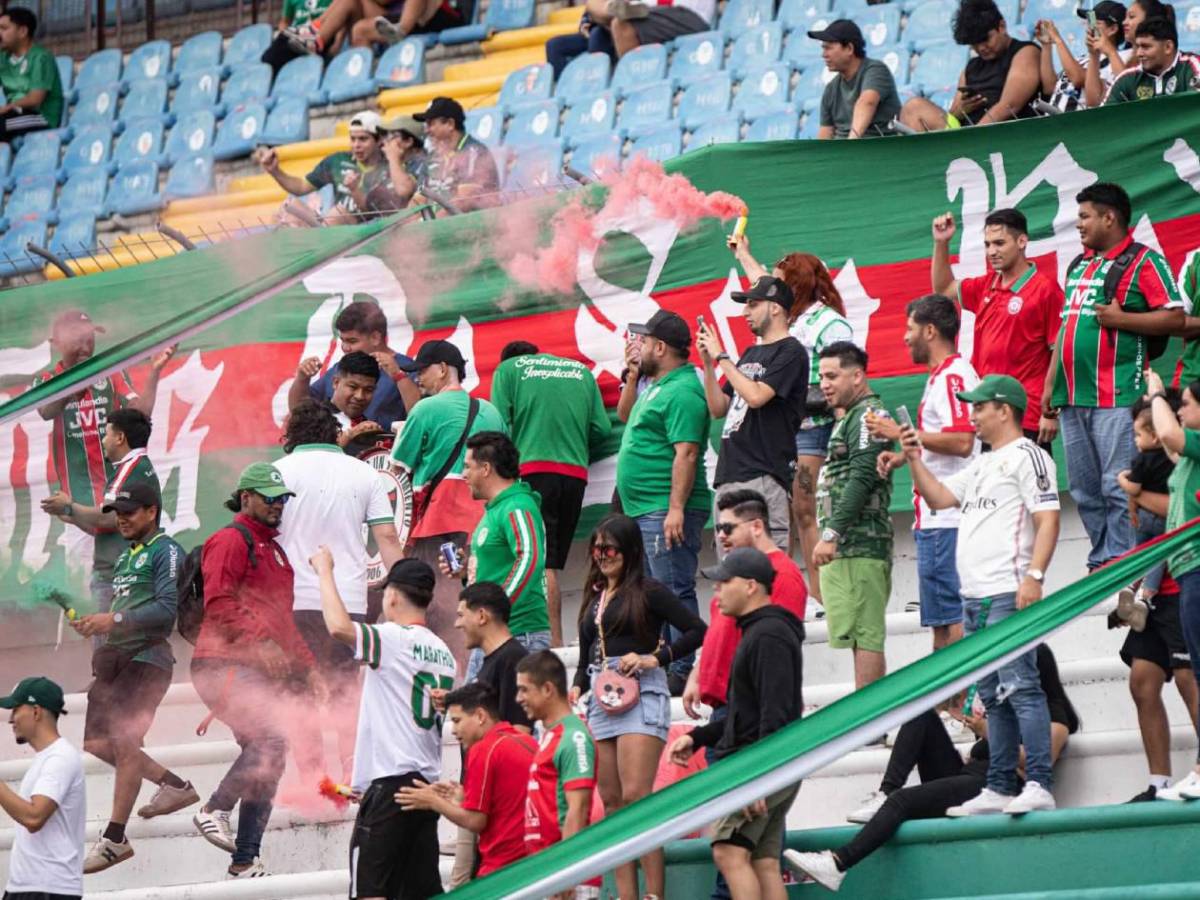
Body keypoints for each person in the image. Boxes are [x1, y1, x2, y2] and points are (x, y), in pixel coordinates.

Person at [785, 646, 1078, 892]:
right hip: (970, 778)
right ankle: (885, 790)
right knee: (921, 713)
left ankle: (837, 863)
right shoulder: (1006, 709)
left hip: (997, 788)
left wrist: (987, 731)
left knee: (902, 803)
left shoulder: (1054, 716)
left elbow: (1038, 760)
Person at [898, 374, 1061, 816]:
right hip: (974, 596)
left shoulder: (1029, 455)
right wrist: (914, 459)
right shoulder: (984, 461)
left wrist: (1035, 576)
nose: (972, 414)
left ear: (1003, 410)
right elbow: (941, 496)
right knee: (992, 694)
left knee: (1022, 687)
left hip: (1008, 590)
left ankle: (1040, 782)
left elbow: (1048, 518)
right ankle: (1000, 785)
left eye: (978, 406)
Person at [191, 463, 323, 878]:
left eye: (282, 499)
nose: (278, 505)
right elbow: (219, 603)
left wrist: (310, 669)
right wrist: (261, 641)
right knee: (271, 741)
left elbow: (282, 621)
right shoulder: (230, 540)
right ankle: (213, 808)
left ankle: (244, 859)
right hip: (222, 665)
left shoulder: (275, 550)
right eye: (270, 497)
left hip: (252, 668)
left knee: (270, 757)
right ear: (245, 497)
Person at [1048, 183, 1183, 571]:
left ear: (1110, 217)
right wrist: (1048, 386)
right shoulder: (1079, 264)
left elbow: (1174, 317)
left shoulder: (1144, 262)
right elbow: (1065, 330)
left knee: (1116, 484)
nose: (1078, 224)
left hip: (1118, 396)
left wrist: (1122, 319)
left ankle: (1125, 564)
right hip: (1073, 397)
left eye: (1085, 216)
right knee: (1084, 491)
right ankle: (1102, 562)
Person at [571, 514, 705, 900]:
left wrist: (655, 658)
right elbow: (584, 657)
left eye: (609, 548)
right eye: (596, 548)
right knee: (612, 802)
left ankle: (655, 894)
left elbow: (698, 630)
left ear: (629, 550)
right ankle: (627, 895)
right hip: (601, 694)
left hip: (640, 691)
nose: (601, 555)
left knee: (637, 799)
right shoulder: (595, 597)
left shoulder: (648, 590)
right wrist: (577, 685)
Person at [312, 547, 454, 900]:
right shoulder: (445, 653)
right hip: (425, 787)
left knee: (369, 892)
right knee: (419, 892)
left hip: (392, 786)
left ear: (393, 596)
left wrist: (324, 572)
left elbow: (338, 627)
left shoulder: (393, 640)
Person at [274, 400, 404, 781]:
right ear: (334, 434)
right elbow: (387, 537)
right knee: (346, 690)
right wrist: (402, 595)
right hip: (348, 602)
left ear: (292, 436)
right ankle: (351, 773)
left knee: (299, 692)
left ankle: (314, 780)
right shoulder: (364, 474)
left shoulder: (276, 473)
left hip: (292, 602)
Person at [70, 482, 197, 873]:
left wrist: (115, 618)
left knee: (125, 741)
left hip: (148, 660)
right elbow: (122, 613)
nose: (122, 518)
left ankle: (115, 838)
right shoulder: (128, 557)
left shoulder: (166, 551)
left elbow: (164, 612)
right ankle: (174, 784)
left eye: (130, 511)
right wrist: (96, 626)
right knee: (94, 742)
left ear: (152, 512)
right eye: (118, 512)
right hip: (117, 662)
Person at [668, 548, 805, 900]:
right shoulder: (761, 632)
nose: (716, 592)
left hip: (762, 764)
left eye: (723, 583)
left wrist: (758, 780)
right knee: (763, 862)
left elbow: (775, 716)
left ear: (750, 586)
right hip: (775, 762)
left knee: (729, 851)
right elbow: (745, 712)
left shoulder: (768, 635)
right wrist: (698, 737)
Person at [730, 237, 853, 607]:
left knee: (806, 508)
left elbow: (846, 375)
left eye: (784, 281)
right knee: (795, 510)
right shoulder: (792, 318)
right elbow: (764, 283)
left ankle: (822, 593)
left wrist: (843, 428)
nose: (775, 287)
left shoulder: (829, 322)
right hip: (788, 432)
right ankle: (812, 591)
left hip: (816, 428)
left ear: (797, 285)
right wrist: (743, 254)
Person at [34, 311, 171, 595]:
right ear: (57, 342)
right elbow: (46, 411)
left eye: (89, 339)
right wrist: (72, 388)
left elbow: (139, 416)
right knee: (88, 593)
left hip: (119, 503)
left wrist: (155, 372)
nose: (85, 347)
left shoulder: (111, 373)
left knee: (131, 585)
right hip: (79, 509)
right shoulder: (47, 379)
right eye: (77, 340)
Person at [391, 339, 506, 671]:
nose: (417, 380)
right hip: (484, 524)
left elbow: (398, 468)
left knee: (441, 607)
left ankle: (449, 678)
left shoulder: (425, 410)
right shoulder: (491, 411)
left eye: (421, 371)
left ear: (442, 369)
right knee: (478, 602)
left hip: (439, 524)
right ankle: (477, 673)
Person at [490, 341, 612, 647]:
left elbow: (498, 427)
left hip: (530, 473)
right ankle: (555, 641)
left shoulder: (507, 370)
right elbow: (602, 429)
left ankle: (552, 645)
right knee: (552, 563)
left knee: (538, 562)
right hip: (574, 475)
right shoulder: (580, 371)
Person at [872, 296, 978, 646]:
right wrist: (904, 454)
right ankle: (948, 700)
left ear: (930, 331)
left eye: (910, 328)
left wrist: (903, 435)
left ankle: (961, 699)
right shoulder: (942, 377)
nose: (905, 337)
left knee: (953, 621)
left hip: (948, 520)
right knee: (941, 623)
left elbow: (963, 440)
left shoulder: (953, 375)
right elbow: (945, 441)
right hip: (935, 520)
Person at [617, 309, 711, 693]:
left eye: (644, 340)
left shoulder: (684, 390)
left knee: (673, 589)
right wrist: (633, 374)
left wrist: (675, 509)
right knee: (658, 588)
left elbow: (686, 453)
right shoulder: (657, 383)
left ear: (660, 346)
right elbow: (625, 417)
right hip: (647, 508)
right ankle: (672, 661)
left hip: (664, 508)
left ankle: (683, 667)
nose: (637, 345)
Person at [683, 489, 808, 749]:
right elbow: (720, 630)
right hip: (728, 708)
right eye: (718, 527)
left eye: (728, 528)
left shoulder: (782, 574)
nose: (720, 535)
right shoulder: (735, 574)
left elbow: (776, 651)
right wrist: (698, 674)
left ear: (757, 526)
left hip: (746, 707)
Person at [931, 208, 1063, 447]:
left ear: (1022, 241)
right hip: (987, 412)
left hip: (1025, 415)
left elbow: (1061, 352)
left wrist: (1050, 411)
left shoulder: (1045, 290)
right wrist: (942, 243)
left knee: (1027, 483)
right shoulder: (986, 284)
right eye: (987, 244)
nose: (992, 251)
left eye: (1000, 243)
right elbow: (944, 288)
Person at [697, 275, 808, 553]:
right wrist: (710, 366)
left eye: (753, 304)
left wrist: (722, 356)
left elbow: (757, 396)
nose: (745, 312)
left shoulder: (791, 350)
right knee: (732, 571)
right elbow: (718, 408)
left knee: (768, 571)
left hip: (764, 472)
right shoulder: (749, 353)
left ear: (775, 308)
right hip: (729, 473)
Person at [40, 408, 160, 648]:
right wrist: (70, 514)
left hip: (119, 576)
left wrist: (71, 507)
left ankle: (108, 681)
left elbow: (108, 519)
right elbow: (107, 526)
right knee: (112, 653)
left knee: (113, 654)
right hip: (118, 575)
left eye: (105, 434)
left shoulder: (129, 469)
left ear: (120, 438)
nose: (102, 441)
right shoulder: (134, 467)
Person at [395, 683, 537, 879]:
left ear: (480, 716)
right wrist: (464, 798)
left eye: (457, 721)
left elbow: (475, 820)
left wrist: (433, 802)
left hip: (503, 871)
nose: (453, 730)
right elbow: (507, 803)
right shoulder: (527, 742)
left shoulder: (483, 749)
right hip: (536, 864)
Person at [814, 342, 894, 690]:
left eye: (832, 375)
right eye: (821, 377)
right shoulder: (852, 415)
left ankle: (871, 725)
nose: (824, 384)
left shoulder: (867, 416)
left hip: (860, 544)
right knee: (858, 637)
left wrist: (831, 534)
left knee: (866, 636)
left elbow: (863, 476)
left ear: (858, 375)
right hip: (850, 547)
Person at [1144, 369, 1200, 801]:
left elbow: (1168, 431)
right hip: (1187, 572)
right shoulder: (1190, 458)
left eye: (1187, 403)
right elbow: (1167, 439)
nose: (1179, 412)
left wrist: (1159, 395)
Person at [457, 431, 551, 678]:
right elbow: (499, 566)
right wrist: (466, 571)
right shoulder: (496, 509)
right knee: (472, 713)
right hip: (494, 634)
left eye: (467, 467)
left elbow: (530, 558)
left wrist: (496, 610)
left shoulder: (517, 504)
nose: (464, 475)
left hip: (519, 635)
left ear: (486, 468)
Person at [0, 676, 85, 900]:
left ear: (36, 712)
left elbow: (34, 818)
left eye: (16, 709)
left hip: (47, 889)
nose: (11, 719)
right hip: (27, 887)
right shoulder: (47, 758)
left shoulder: (60, 757)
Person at [898, 0, 1040, 130]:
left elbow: (1009, 106)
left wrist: (973, 134)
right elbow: (953, 113)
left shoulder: (1025, 52)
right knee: (913, 107)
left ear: (1001, 26)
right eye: (974, 43)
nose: (981, 48)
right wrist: (960, 112)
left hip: (1000, 132)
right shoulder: (971, 67)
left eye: (985, 39)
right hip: (964, 135)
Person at [289, 299, 419, 434]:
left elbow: (420, 418)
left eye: (352, 341)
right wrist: (302, 379)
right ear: (336, 382)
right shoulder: (341, 368)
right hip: (335, 451)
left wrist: (398, 376)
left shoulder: (407, 369)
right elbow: (299, 411)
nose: (345, 348)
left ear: (375, 337)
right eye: (342, 341)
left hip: (382, 452)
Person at [516, 651, 596, 863]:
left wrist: (565, 871)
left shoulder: (573, 736)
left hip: (568, 875)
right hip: (547, 868)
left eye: (524, 690)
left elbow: (578, 808)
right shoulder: (551, 735)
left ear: (548, 689)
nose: (519, 698)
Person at [258, 112, 404, 225]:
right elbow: (301, 187)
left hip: (371, 233)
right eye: (352, 139)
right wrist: (275, 171)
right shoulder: (337, 161)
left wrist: (354, 191)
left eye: (363, 139)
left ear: (379, 140)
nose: (356, 145)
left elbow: (378, 214)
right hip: (333, 231)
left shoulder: (390, 167)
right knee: (286, 209)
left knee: (338, 213)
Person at [454, 582, 532, 732]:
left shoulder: (513, 658)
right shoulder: (493, 661)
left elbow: (519, 732)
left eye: (461, 615)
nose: (456, 624)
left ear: (482, 616)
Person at [807, 19, 901, 138]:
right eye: (823, 48)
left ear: (849, 49)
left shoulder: (875, 70)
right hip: (844, 153)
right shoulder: (831, 89)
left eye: (829, 48)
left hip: (875, 150)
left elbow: (867, 102)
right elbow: (826, 132)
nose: (823, 54)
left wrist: (851, 145)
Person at [414, 97, 501, 213]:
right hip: (438, 227)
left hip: (471, 226)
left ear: (450, 124)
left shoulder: (474, 152)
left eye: (431, 124)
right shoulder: (432, 157)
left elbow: (464, 200)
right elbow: (418, 200)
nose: (427, 130)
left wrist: (431, 226)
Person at [1036, 3, 1126, 112]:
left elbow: (1077, 78)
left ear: (1113, 29)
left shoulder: (1118, 59)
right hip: (1055, 123)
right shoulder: (1082, 58)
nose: (1089, 27)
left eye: (1095, 23)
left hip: (1077, 123)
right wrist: (1047, 46)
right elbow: (1050, 87)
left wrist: (1057, 39)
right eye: (1088, 21)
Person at [284, 0, 463, 53]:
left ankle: (402, 30)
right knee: (358, 28)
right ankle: (317, 38)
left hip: (434, 15)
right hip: (397, 17)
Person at [1083, 0, 1167, 104]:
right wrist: (1094, 55)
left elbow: (1131, 95)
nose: (1124, 22)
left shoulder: (1156, 56)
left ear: (1149, 20)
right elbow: (1093, 102)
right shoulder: (1121, 58)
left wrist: (1111, 52)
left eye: (1131, 17)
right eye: (1126, 18)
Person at [0, 8, 64, 141]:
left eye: (4, 28)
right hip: (15, 115)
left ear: (22, 31)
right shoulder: (3, 58)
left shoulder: (41, 58)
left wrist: (8, 107)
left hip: (41, 116)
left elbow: (35, 99)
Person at [1104, 17, 1200, 103]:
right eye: (1137, 47)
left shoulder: (1192, 66)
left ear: (1168, 47)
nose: (1139, 53)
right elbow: (1103, 117)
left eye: (1145, 47)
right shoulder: (1127, 79)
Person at [262, 0, 337, 75]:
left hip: (322, 37)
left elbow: (342, 19)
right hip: (298, 38)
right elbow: (285, 21)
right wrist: (283, 32)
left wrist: (337, 45)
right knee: (268, 59)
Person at [380, 113, 429, 208]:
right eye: (387, 135)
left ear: (408, 142)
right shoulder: (401, 164)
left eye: (393, 136)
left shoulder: (422, 163)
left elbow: (403, 190)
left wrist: (392, 157)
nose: (386, 141)